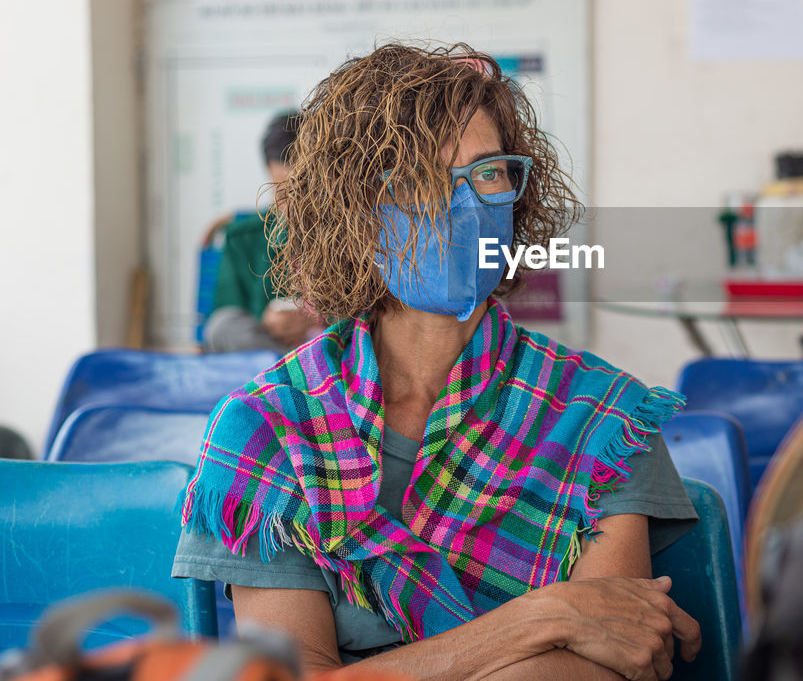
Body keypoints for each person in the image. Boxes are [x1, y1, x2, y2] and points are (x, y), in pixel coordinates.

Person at [173, 43, 702, 681]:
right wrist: (545, 617)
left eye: (487, 172)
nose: (465, 206)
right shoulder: (271, 429)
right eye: (417, 180)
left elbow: (608, 662)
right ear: (352, 216)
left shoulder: (602, 419)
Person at [203, 111, 325, 354]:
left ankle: (304, 369)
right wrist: (267, 322)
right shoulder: (242, 238)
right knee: (222, 327)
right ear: (269, 173)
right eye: (282, 195)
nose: (294, 207)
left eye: (304, 193)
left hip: (330, 345)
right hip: (269, 349)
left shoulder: (348, 235)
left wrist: (317, 320)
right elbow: (227, 315)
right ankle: (299, 371)